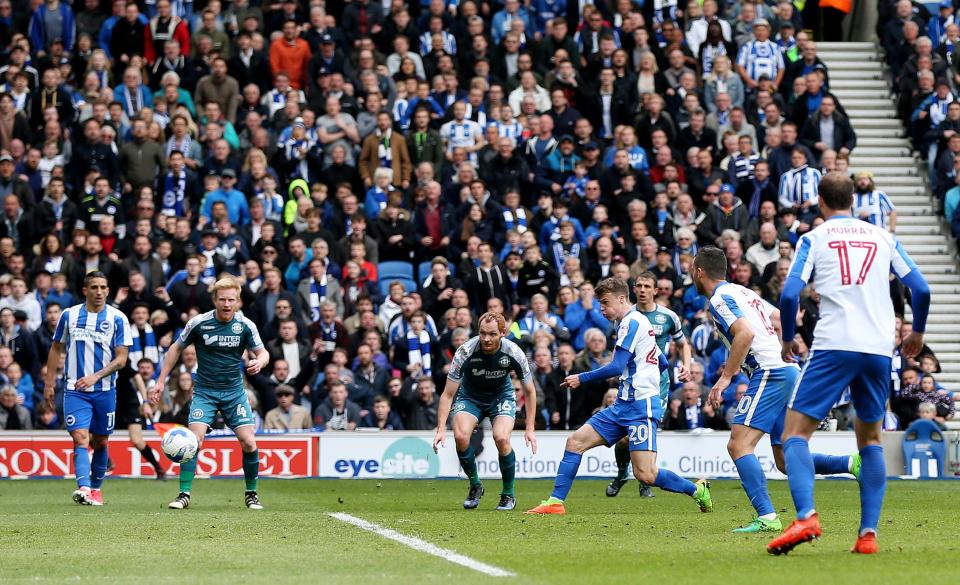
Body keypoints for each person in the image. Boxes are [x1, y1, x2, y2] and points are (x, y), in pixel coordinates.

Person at [768, 172, 931, 555]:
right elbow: (921, 288)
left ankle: (807, 515)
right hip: (877, 349)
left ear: (820, 202)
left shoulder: (814, 238)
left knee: (795, 434)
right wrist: (917, 333)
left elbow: (790, 293)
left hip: (834, 344)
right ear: (854, 201)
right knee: (871, 439)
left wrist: (789, 335)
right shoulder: (883, 237)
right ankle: (868, 535)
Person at [525, 277, 712, 515]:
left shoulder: (631, 323)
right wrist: (646, 374)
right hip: (623, 404)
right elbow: (662, 361)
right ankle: (555, 502)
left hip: (641, 407)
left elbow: (616, 366)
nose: (601, 309)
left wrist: (580, 377)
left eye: (605, 303)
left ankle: (697, 490)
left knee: (645, 474)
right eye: (600, 304)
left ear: (622, 299)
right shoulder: (634, 322)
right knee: (575, 442)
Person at [149, 276, 270, 511]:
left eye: (231, 300)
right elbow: (176, 348)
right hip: (205, 392)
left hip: (234, 392)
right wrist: (161, 380)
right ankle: (184, 494)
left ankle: (251, 493)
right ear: (214, 299)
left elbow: (263, 352)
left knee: (248, 441)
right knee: (194, 441)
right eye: (222, 299)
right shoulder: (199, 323)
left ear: (238, 301)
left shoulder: (245, 325)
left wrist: (260, 363)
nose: (227, 304)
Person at [42, 271, 132, 506]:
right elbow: (55, 348)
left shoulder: (118, 318)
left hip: (104, 390)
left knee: (101, 441)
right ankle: (84, 489)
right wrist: (49, 384)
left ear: (108, 290)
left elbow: (122, 359)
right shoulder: (69, 315)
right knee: (81, 438)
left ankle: (96, 488)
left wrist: (96, 376)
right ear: (85, 291)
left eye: (103, 287)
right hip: (75, 389)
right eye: (94, 287)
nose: (99, 292)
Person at [433, 311, 538, 511]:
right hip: (470, 397)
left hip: (501, 396)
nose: (486, 339)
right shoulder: (465, 352)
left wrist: (530, 428)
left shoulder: (514, 352)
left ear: (503, 333)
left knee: (501, 437)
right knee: (461, 436)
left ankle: (508, 494)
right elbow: (447, 394)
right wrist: (440, 428)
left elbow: (530, 391)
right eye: (482, 333)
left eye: (492, 334)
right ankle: (475, 485)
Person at [606, 271, 692, 499]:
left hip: (657, 384)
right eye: (639, 285)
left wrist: (686, 365)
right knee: (624, 437)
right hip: (630, 383)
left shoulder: (668, 316)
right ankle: (624, 472)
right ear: (633, 290)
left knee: (646, 432)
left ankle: (645, 480)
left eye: (647, 286)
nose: (642, 290)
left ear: (656, 290)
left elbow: (683, 344)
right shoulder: (625, 316)